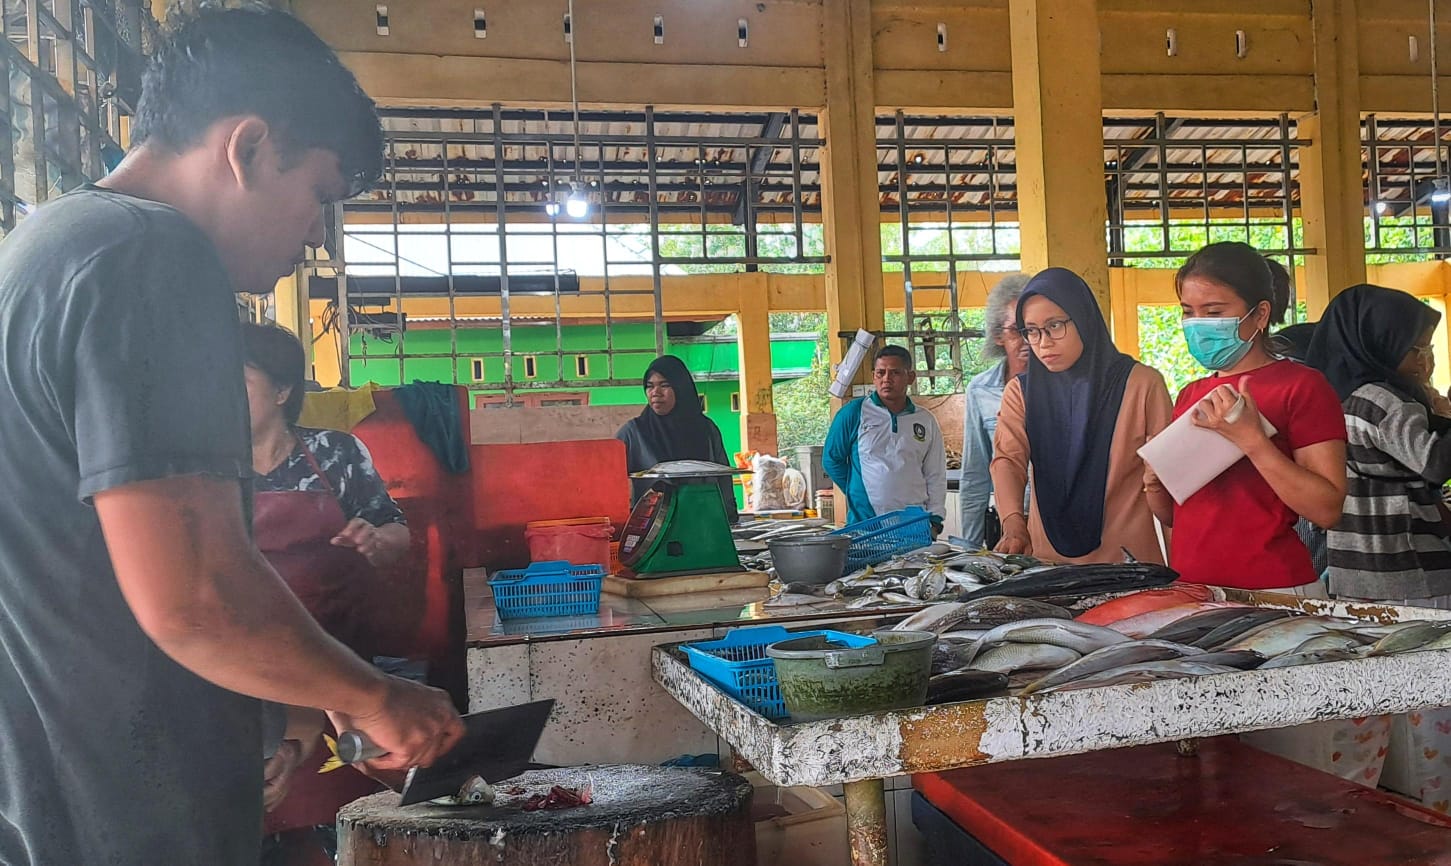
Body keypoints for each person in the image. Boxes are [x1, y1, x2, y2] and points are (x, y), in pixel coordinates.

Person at [0, 9, 462, 865]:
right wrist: (372, 696)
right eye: (318, 195)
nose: (317, 235)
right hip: (126, 824)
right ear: (247, 148)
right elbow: (197, 596)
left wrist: (297, 696)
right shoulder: (150, 256)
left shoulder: (48, 247)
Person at [243, 322, 413, 864]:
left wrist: (376, 541)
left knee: (348, 826)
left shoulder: (335, 453)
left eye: (239, 382)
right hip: (246, 676)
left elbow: (396, 531)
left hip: (343, 666)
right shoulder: (205, 472)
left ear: (282, 390)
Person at [1302, 284, 1451, 811]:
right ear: (1378, 344)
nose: (1425, 360)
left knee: (1369, 706)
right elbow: (1434, 462)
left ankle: (1364, 809)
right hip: (1409, 575)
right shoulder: (1380, 399)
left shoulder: (1336, 397)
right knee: (1430, 708)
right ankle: (1433, 816)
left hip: (1356, 573)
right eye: (1414, 348)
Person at [1144, 242, 1346, 594]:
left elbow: (1327, 509)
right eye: (1188, 312)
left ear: (1260, 314)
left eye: (1213, 311)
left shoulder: (1302, 387)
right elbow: (1177, 517)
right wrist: (1153, 481)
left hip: (1274, 591)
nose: (1197, 324)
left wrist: (1253, 441)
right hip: (1194, 588)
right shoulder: (1191, 394)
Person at [991, 268, 1172, 563]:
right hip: (1049, 566)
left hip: (1129, 566)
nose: (1043, 342)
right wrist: (1013, 523)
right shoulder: (1022, 393)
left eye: (1054, 326)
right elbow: (1008, 460)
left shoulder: (1141, 384)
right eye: (1032, 331)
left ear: (1083, 319)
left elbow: (1168, 478)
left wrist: (1181, 570)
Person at [824, 345, 948, 529]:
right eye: (880, 373)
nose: (886, 379)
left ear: (910, 377)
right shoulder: (853, 413)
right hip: (866, 524)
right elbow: (832, 460)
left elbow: (935, 473)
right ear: (873, 376)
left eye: (895, 373)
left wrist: (935, 519)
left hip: (913, 524)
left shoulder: (925, 420)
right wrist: (857, 492)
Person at [616, 355, 738, 523]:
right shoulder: (634, 432)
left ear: (681, 388)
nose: (655, 393)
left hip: (703, 524)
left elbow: (723, 477)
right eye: (650, 386)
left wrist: (728, 517)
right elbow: (610, 478)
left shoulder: (705, 429)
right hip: (654, 529)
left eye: (664, 385)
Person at [959, 273, 1032, 549]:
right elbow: (975, 474)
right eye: (1017, 330)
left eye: (1033, 329)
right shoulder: (981, 390)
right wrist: (969, 548)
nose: (1027, 340)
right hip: (1009, 527)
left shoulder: (1064, 387)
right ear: (999, 336)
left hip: (1059, 525)